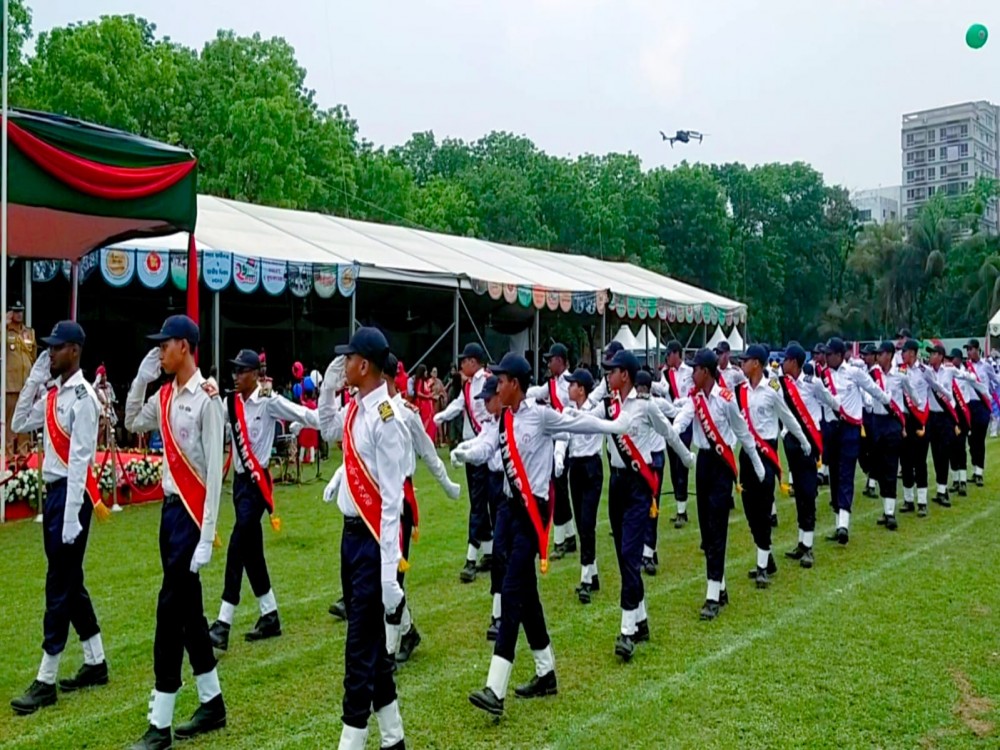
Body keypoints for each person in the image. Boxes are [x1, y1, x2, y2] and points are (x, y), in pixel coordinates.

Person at [454, 353, 629, 717]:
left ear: (514, 384)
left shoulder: (541, 415)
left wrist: (613, 428)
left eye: (500, 381)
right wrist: (466, 453)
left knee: (513, 591)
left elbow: (576, 426)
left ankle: (495, 687)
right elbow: (488, 447)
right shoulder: (502, 417)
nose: (496, 387)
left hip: (533, 510)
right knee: (525, 592)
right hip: (506, 511)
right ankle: (546, 672)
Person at [125, 315, 226, 749]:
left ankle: (160, 722)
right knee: (188, 613)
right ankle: (212, 701)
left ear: (183, 346)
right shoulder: (165, 396)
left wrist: (206, 537)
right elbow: (132, 421)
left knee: (170, 613)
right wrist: (141, 378)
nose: (159, 352)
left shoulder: (207, 400)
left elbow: (217, 478)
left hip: (192, 514)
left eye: (163, 346)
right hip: (170, 514)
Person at [9, 322, 108, 715]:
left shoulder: (84, 398)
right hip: (54, 496)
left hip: (71, 496)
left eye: (56, 349)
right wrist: (35, 377)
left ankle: (47, 677)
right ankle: (96, 661)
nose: (49, 354)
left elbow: (82, 459)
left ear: (75, 351)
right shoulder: (53, 396)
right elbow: (18, 422)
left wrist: (70, 518)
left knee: (59, 585)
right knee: (70, 580)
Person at [319, 327, 407, 750]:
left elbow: (392, 501)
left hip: (373, 542)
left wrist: (390, 571)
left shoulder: (386, 417)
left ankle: (350, 741)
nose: (344, 364)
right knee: (369, 643)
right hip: (350, 537)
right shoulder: (355, 408)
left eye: (348, 358)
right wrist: (326, 389)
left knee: (358, 651)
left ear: (365, 364)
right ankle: (393, 738)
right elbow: (327, 430)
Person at [207, 349, 321, 652]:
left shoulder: (269, 401)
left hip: (258, 485)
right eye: (235, 370)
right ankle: (269, 615)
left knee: (237, 545)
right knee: (252, 552)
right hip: (241, 484)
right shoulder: (229, 402)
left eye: (241, 371)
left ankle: (223, 622)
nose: (236, 376)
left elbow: (301, 414)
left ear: (255, 374)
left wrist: (334, 421)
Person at [601, 349, 693, 660]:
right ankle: (640, 620)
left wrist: (685, 456)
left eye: (612, 371)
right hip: (616, 483)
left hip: (639, 485)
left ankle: (627, 631)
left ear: (624, 375)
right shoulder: (609, 405)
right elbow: (590, 422)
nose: (608, 376)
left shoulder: (643, 406)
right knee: (622, 555)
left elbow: (668, 432)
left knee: (630, 554)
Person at [673, 349, 763, 620]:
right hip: (703, 465)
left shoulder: (725, 399)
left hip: (722, 466)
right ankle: (720, 586)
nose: (691, 373)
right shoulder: (695, 398)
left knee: (717, 527)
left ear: (707, 371)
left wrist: (757, 465)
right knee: (706, 530)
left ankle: (712, 595)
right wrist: (672, 432)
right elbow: (683, 419)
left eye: (695, 368)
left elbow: (742, 432)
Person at [733, 345, 810, 588]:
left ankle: (762, 566)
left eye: (745, 361)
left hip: (766, 453)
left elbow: (787, 417)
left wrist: (804, 440)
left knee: (763, 507)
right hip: (747, 454)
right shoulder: (739, 391)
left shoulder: (772, 389)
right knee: (749, 509)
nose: (742, 364)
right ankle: (765, 555)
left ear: (756, 363)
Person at [449, 376, 508, 640]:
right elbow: (483, 446)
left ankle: (503, 611)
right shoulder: (493, 424)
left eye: (488, 398)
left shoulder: (518, 417)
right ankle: (499, 612)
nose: (484, 403)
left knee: (507, 553)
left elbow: (564, 425)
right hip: (497, 483)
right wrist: (463, 450)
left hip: (515, 493)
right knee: (501, 550)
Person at [816, 337, 890, 545]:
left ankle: (844, 525)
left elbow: (872, 389)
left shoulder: (854, 373)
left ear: (840, 355)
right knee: (834, 475)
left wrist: (888, 402)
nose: (826, 357)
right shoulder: (823, 375)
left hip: (850, 430)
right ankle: (838, 521)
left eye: (829, 354)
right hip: (831, 430)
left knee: (846, 473)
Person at [434, 343, 493, 582]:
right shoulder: (468, 385)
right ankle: (489, 552)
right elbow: (458, 405)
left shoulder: (487, 380)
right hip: (471, 447)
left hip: (484, 447)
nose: (461, 365)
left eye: (464, 360)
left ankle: (471, 557)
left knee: (479, 503)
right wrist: (439, 417)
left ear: (474, 361)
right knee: (479, 500)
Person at [779, 343, 839, 568]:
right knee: (799, 496)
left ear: (794, 361)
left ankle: (808, 546)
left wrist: (841, 414)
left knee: (807, 492)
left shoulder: (811, 383)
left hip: (808, 443)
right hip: (791, 442)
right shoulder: (783, 384)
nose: (783, 363)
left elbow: (831, 401)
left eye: (786, 359)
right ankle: (801, 543)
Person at [555, 369, 604, 604]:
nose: (568, 388)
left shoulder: (596, 410)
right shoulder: (570, 412)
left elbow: (603, 392)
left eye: (572, 385)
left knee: (587, 523)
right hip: (575, 467)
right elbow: (564, 436)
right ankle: (592, 573)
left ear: (582, 389)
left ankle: (585, 578)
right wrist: (558, 457)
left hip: (592, 467)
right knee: (581, 521)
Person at [526, 342, 576, 559]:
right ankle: (569, 535)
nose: (548, 363)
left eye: (551, 359)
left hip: (567, 440)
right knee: (559, 487)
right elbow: (538, 392)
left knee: (558, 489)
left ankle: (560, 539)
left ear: (561, 361)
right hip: (556, 439)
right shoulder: (552, 383)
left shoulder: (570, 383)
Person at [868, 342, 915, 531]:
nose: (877, 356)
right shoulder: (873, 374)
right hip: (876, 422)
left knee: (891, 465)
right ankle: (886, 507)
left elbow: (911, 392)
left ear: (888, 355)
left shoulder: (900, 374)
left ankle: (890, 512)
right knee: (878, 467)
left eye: (880, 353)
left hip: (892, 423)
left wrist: (916, 406)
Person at [635, 370, 668, 576]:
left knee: (652, 506)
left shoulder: (657, 405)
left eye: (642, 388)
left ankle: (648, 552)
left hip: (655, 458)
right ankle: (648, 549)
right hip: (643, 459)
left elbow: (676, 409)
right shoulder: (636, 407)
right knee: (642, 506)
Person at [924, 343, 965, 506]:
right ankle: (941, 488)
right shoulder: (925, 372)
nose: (930, 357)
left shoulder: (949, 371)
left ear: (940, 356)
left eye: (933, 354)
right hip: (931, 417)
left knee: (944, 452)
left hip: (945, 417)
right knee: (935, 453)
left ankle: (943, 490)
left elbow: (965, 376)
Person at [659, 340, 694, 528]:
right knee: (672, 465)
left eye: (669, 353)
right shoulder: (666, 374)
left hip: (684, 420)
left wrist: (676, 404)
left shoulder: (688, 373)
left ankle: (682, 509)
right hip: (669, 421)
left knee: (682, 465)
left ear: (677, 354)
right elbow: (663, 390)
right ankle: (680, 508)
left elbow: (688, 396)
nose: (667, 357)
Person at [946, 348, 989, 497]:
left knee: (960, 446)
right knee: (951, 447)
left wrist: (988, 396)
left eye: (953, 358)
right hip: (951, 413)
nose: (951, 361)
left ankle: (963, 480)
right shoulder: (948, 372)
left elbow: (979, 386)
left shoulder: (967, 374)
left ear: (959, 359)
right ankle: (955, 479)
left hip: (963, 412)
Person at [897, 339, 932, 516]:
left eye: (904, 351)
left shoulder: (924, 371)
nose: (902, 354)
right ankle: (908, 500)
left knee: (920, 462)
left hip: (920, 420)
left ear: (912, 353)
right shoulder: (900, 371)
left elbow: (936, 388)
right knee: (905, 460)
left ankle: (922, 501)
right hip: (905, 420)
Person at [962, 339, 999, 485]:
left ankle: (979, 472)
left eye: (971, 349)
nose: (969, 352)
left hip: (982, 405)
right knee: (971, 440)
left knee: (980, 438)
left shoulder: (986, 366)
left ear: (977, 350)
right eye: (968, 349)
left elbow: (995, 380)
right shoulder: (965, 367)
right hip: (969, 405)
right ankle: (975, 465)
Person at [6, 300, 37, 455]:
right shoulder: (5, 331)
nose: (18, 314)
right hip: (10, 384)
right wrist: (3, 323)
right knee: (11, 419)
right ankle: (10, 454)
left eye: (20, 311)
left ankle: (23, 452)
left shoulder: (29, 332)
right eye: (15, 311)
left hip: (26, 383)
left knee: (24, 418)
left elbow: (33, 355)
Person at [413, 364, 438, 443]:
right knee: (426, 423)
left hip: (428, 404)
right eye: (426, 370)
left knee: (431, 422)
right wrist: (428, 396)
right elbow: (418, 392)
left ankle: (429, 441)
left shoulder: (425, 382)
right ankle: (424, 441)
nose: (427, 372)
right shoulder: (420, 381)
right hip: (424, 405)